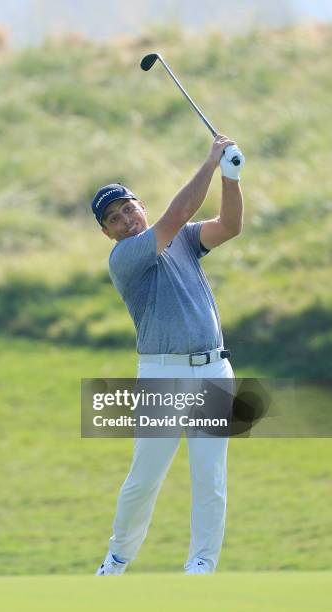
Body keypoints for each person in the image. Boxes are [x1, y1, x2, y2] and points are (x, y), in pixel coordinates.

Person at [90, 135, 245, 576]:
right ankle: (118, 559)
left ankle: (201, 564)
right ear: (107, 233)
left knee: (210, 479)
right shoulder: (126, 257)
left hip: (214, 369)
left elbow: (229, 226)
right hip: (161, 375)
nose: (124, 219)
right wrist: (211, 162)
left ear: (140, 205)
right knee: (145, 479)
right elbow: (177, 214)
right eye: (113, 218)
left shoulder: (183, 241)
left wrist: (231, 177)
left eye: (127, 208)